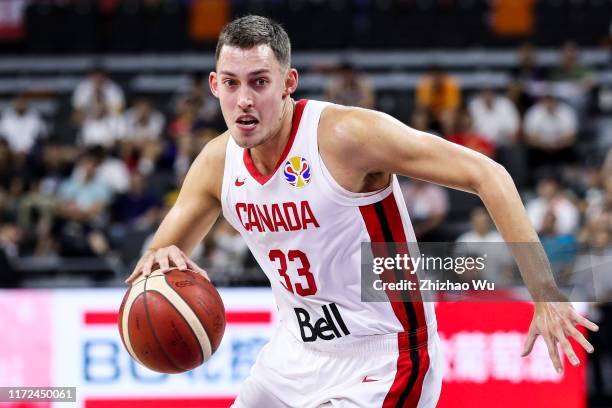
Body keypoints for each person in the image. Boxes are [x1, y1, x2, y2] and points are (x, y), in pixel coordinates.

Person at [126, 15, 598, 407]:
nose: (244, 100)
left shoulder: (346, 137)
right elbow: (162, 255)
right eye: (231, 83)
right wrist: (158, 265)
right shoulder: (215, 163)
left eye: (260, 82)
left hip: (386, 357)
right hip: (291, 355)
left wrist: (544, 290)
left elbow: (489, 174)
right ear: (214, 85)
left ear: (289, 83)